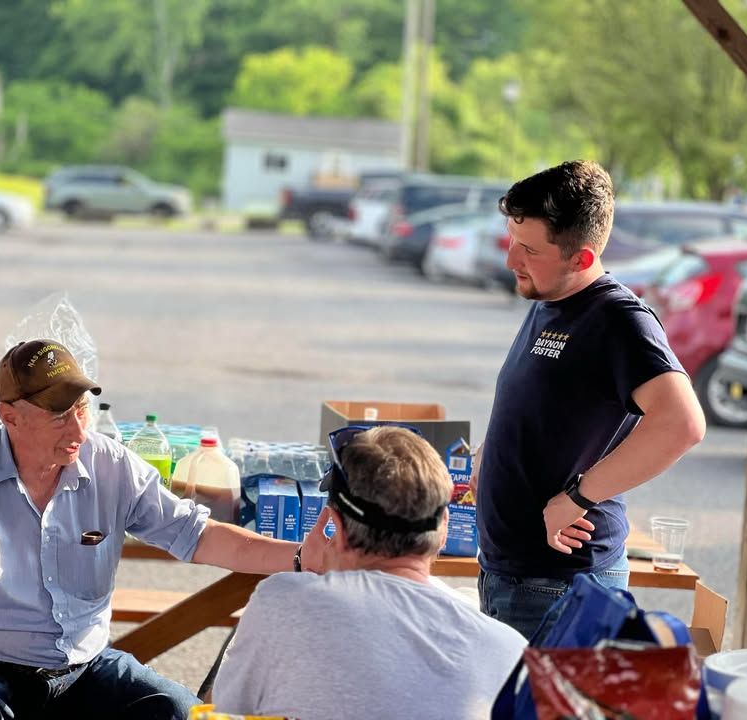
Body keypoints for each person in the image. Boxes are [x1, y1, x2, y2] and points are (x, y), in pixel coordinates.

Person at [0, 339, 316, 720]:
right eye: (58, 416)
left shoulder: (111, 462)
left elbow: (197, 534)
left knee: (177, 710)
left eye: (82, 410)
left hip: (83, 668)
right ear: (9, 416)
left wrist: (304, 557)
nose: (77, 430)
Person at [472, 161, 706, 640]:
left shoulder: (619, 319)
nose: (511, 259)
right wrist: (491, 456)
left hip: (558, 586)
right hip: (513, 575)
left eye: (529, 249)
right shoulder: (549, 298)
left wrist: (579, 495)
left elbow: (682, 424)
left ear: (580, 258)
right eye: (512, 239)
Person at [212, 426, 527, 720]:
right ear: (444, 527)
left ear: (337, 528)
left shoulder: (282, 602)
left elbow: (228, 708)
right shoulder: (505, 648)